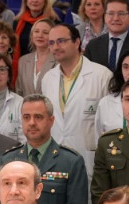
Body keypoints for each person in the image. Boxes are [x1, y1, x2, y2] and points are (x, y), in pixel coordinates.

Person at [0, 94, 91, 204]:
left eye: (38, 117)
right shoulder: (7, 160)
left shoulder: (71, 162)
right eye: (26, 117)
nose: (32, 122)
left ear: (51, 121)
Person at [42, 23, 112, 163]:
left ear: (77, 42)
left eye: (61, 41)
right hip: (56, 157)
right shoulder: (48, 78)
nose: (55, 47)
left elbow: (110, 123)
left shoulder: (102, 75)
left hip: (90, 158)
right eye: (51, 43)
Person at [84, 0, 129, 71]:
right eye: (111, 13)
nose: (116, 18)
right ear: (104, 16)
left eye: (121, 14)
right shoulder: (92, 46)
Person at [16, 18, 56, 97]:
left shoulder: (59, 61)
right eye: (36, 31)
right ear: (32, 35)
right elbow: (19, 91)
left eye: (45, 32)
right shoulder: (23, 61)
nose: (40, 35)